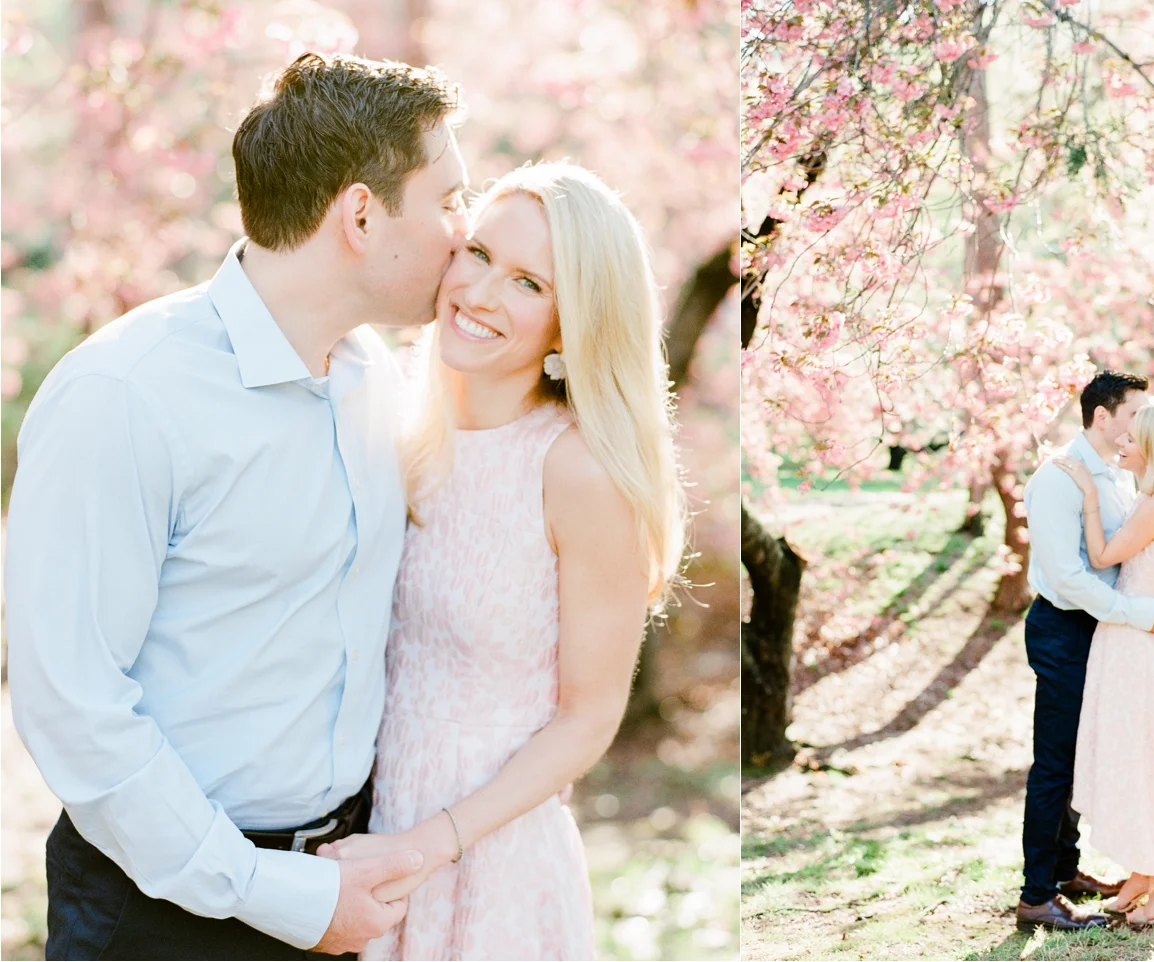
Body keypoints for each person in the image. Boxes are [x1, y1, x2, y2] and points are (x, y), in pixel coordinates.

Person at [6, 52, 470, 958]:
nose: (465, 230)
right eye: (449, 198)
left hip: (349, 887)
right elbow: (74, 708)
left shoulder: (377, 378)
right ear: (363, 215)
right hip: (160, 916)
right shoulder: (125, 395)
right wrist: (275, 894)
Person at [315, 162, 686, 960]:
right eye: (478, 254)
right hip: (365, 837)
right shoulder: (396, 434)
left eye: (528, 283)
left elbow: (587, 719)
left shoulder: (575, 471)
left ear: (569, 324)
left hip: (490, 862)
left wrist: (425, 846)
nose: (479, 293)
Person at [1014, 370, 1154, 933]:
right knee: (1056, 761)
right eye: (1135, 413)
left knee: (1086, 751)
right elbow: (1067, 579)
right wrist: (1141, 613)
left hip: (1107, 631)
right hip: (1064, 627)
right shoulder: (1059, 479)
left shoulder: (1123, 475)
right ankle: (1037, 895)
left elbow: (1133, 554)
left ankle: (1066, 870)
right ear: (1102, 416)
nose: (1142, 423)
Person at [1055, 404, 1154, 928]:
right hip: (1132, 638)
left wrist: (1090, 499)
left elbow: (1100, 557)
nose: (1122, 443)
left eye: (1133, 439)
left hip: (1132, 644)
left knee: (1141, 759)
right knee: (1137, 754)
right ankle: (1144, 872)